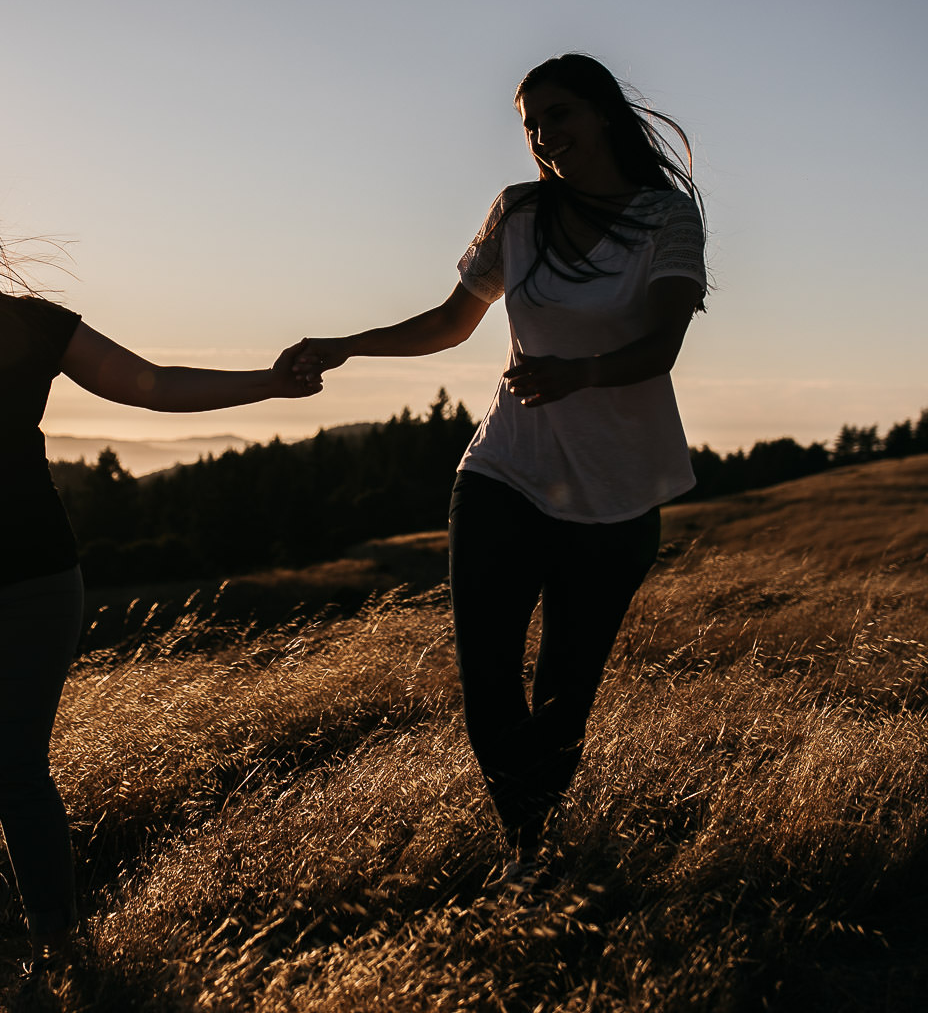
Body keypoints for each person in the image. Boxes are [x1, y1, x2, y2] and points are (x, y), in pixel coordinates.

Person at [0, 166, 319, 979]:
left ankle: (59, 948)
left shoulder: (35, 327)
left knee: (17, 772)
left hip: (32, 584)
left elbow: (152, 385)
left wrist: (270, 384)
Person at [293, 53, 707, 881]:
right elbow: (454, 322)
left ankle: (534, 844)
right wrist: (348, 343)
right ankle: (528, 845)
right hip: (505, 473)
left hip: (617, 494)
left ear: (601, 112)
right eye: (531, 125)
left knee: (563, 695)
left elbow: (661, 344)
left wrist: (579, 374)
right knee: (486, 679)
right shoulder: (518, 214)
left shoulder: (666, 219)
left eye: (559, 115)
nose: (545, 138)